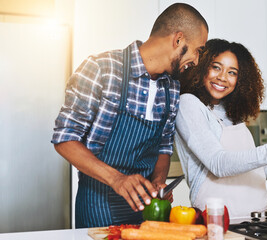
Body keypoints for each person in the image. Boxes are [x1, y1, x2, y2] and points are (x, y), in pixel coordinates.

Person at [51, 3, 208, 228]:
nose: (196, 61)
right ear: (178, 40)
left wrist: (158, 183)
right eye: (198, 50)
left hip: (146, 211)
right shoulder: (101, 68)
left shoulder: (171, 87)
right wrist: (117, 179)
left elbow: (163, 146)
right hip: (97, 205)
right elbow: (64, 139)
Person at [174, 39, 267, 218]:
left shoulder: (231, 113)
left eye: (232, 72)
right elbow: (219, 164)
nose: (222, 77)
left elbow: (247, 168)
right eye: (216, 67)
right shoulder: (188, 104)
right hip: (222, 220)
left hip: (262, 215)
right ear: (201, 67)